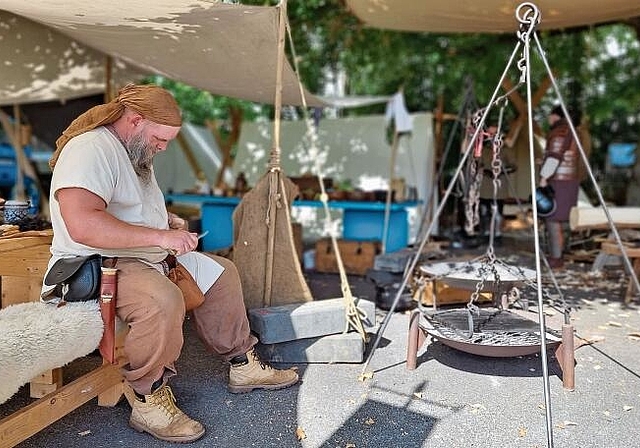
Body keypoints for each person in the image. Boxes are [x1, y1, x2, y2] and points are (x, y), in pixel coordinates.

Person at [41, 84, 299, 443]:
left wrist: (166, 223)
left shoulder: (134, 152)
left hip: (143, 254)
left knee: (221, 274)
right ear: (134, 121)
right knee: (162, 300)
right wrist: (160, 238)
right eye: (160, 139)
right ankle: (148, 398)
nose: (163, 147)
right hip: (97, 264)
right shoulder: (90, 149)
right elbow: (83, 224)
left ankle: (243, 364)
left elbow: (130, 209)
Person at [538, 104, 582, 269]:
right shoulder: (574, 131)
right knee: (563, 218)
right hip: (571, 181)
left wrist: (544, 178)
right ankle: (560, 254)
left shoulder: (560, 132)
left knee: (552, 218)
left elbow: (554, 157)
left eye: (550, 115)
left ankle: (556, 257)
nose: (549, 119)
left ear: (556, 116)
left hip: (559, 182)